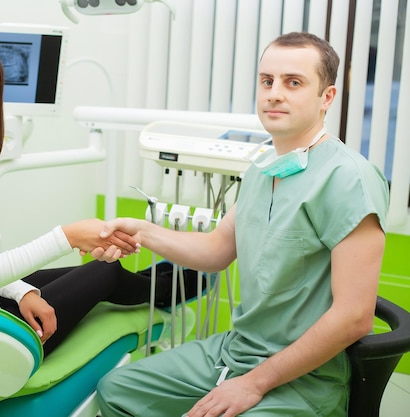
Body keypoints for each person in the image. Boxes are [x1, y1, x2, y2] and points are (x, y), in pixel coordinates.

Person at [94, 32, 390, 416]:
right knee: (118, 389)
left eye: (293, 82)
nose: (274, 93)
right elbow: (217, 250)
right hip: (236, 350)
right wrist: (144, 231)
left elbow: (354, 317)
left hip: (303, 377)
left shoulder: (348, 178)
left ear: (326, 98)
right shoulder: (263, 168)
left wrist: (254, 383)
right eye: (267, 81)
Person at [0, 40, 197, 356]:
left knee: (97, 273)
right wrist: (69, 237)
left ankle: (171, 275)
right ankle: (181, 285)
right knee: (104, 272)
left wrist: (22, 292)